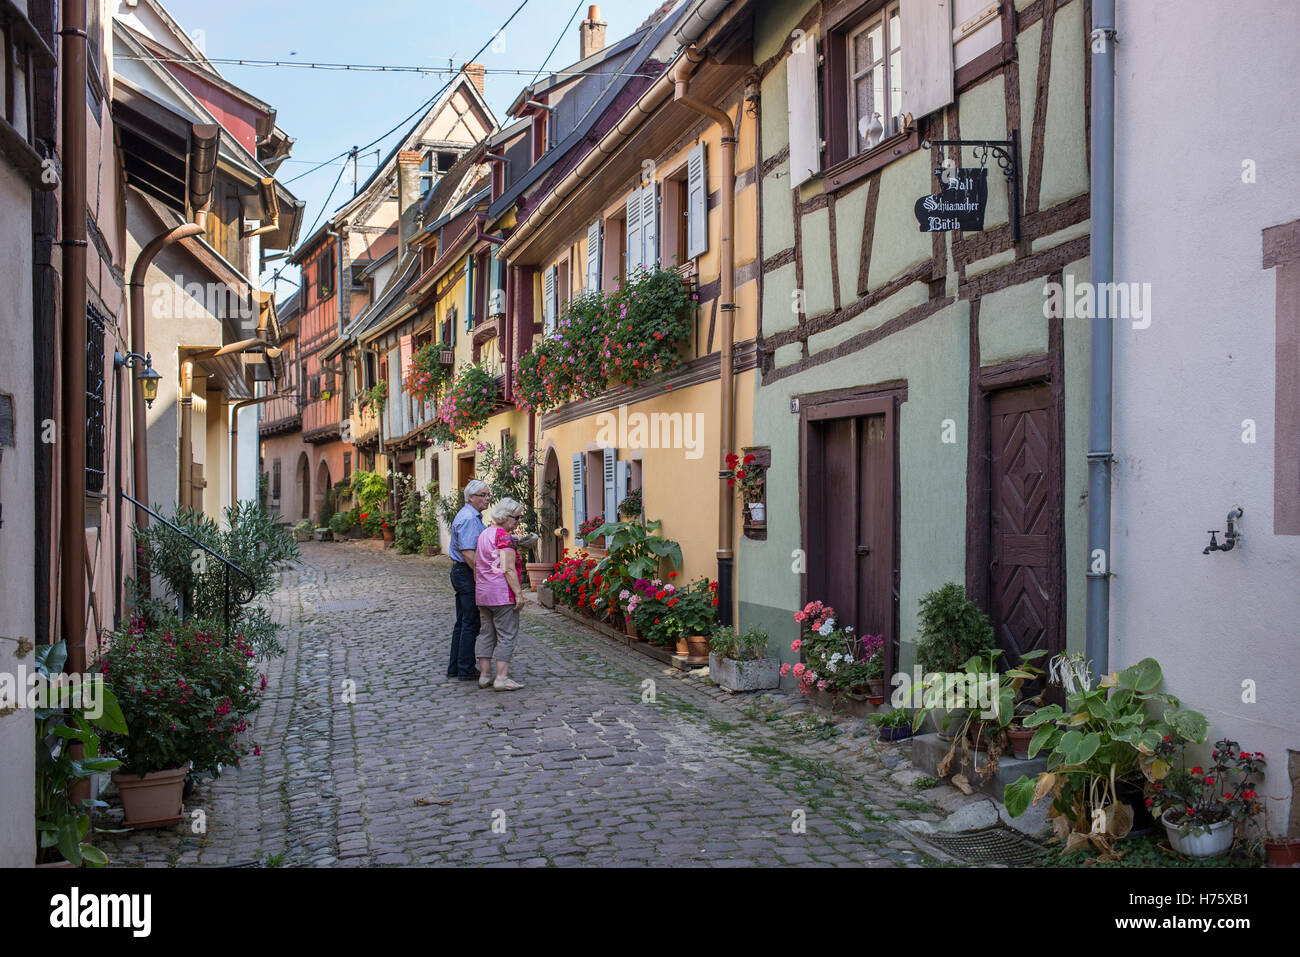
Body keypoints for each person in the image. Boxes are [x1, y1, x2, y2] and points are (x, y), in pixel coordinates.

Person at [475, 497, 528, 691]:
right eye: (517, 518)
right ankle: (502, 678)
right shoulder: (504, 538)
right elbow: (508, 569)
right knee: (507, 635)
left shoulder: (484, 533)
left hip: (483, 592)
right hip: (502, 594)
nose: (518, 521)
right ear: (506, 517)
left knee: (486, 633)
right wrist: (519, 595)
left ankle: (484, 675)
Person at [447, 480, 491, 680]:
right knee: (470, 622)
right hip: (466, 572)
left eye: (487, 494)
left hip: (462, 572)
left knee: (463, 622)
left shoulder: (471, 516)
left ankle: (456, 666)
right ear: (470, 497)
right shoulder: (469, 518)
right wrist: (481, 577)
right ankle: (465, 668)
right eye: (482, 495)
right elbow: (469, 554)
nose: (487, 498)